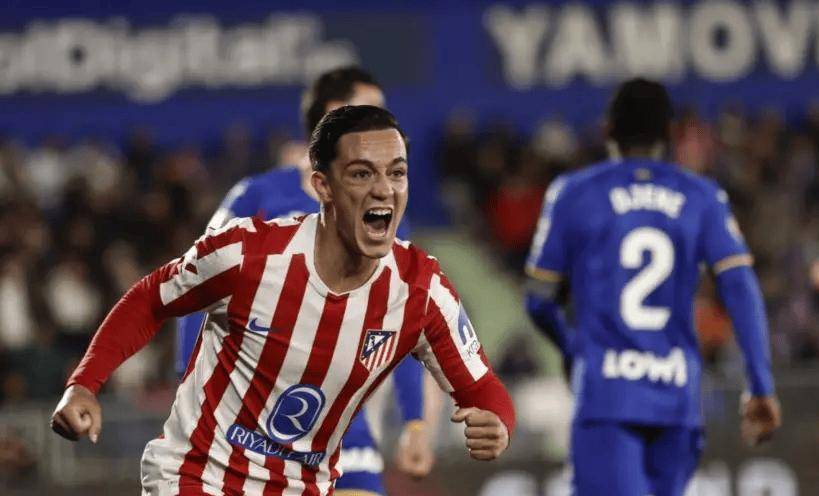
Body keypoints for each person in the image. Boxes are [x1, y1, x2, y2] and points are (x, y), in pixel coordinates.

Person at [51, 105, 515, 495]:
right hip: (199, 476)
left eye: (397, 173)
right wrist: (85, 382)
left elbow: (483, 390)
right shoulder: (249, 254)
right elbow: (152, 298)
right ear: (322, 186)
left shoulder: (421, 289)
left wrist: (497, 424)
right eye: (361, 173)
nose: (383, 189)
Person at [176, 66, 435, 495]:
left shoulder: (381, 216)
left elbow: (397, 323)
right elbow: (195, 292)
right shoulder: (256, 198)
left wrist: (415, 422)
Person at [524, 78, 781, 496]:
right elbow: (740, 287)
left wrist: (573, 349)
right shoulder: (702, 196)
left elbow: (538, 299)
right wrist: (761, 384)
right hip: (678, 400)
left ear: (608, 130)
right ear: (669, 132)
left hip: (607, 396)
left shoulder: (573, 194)